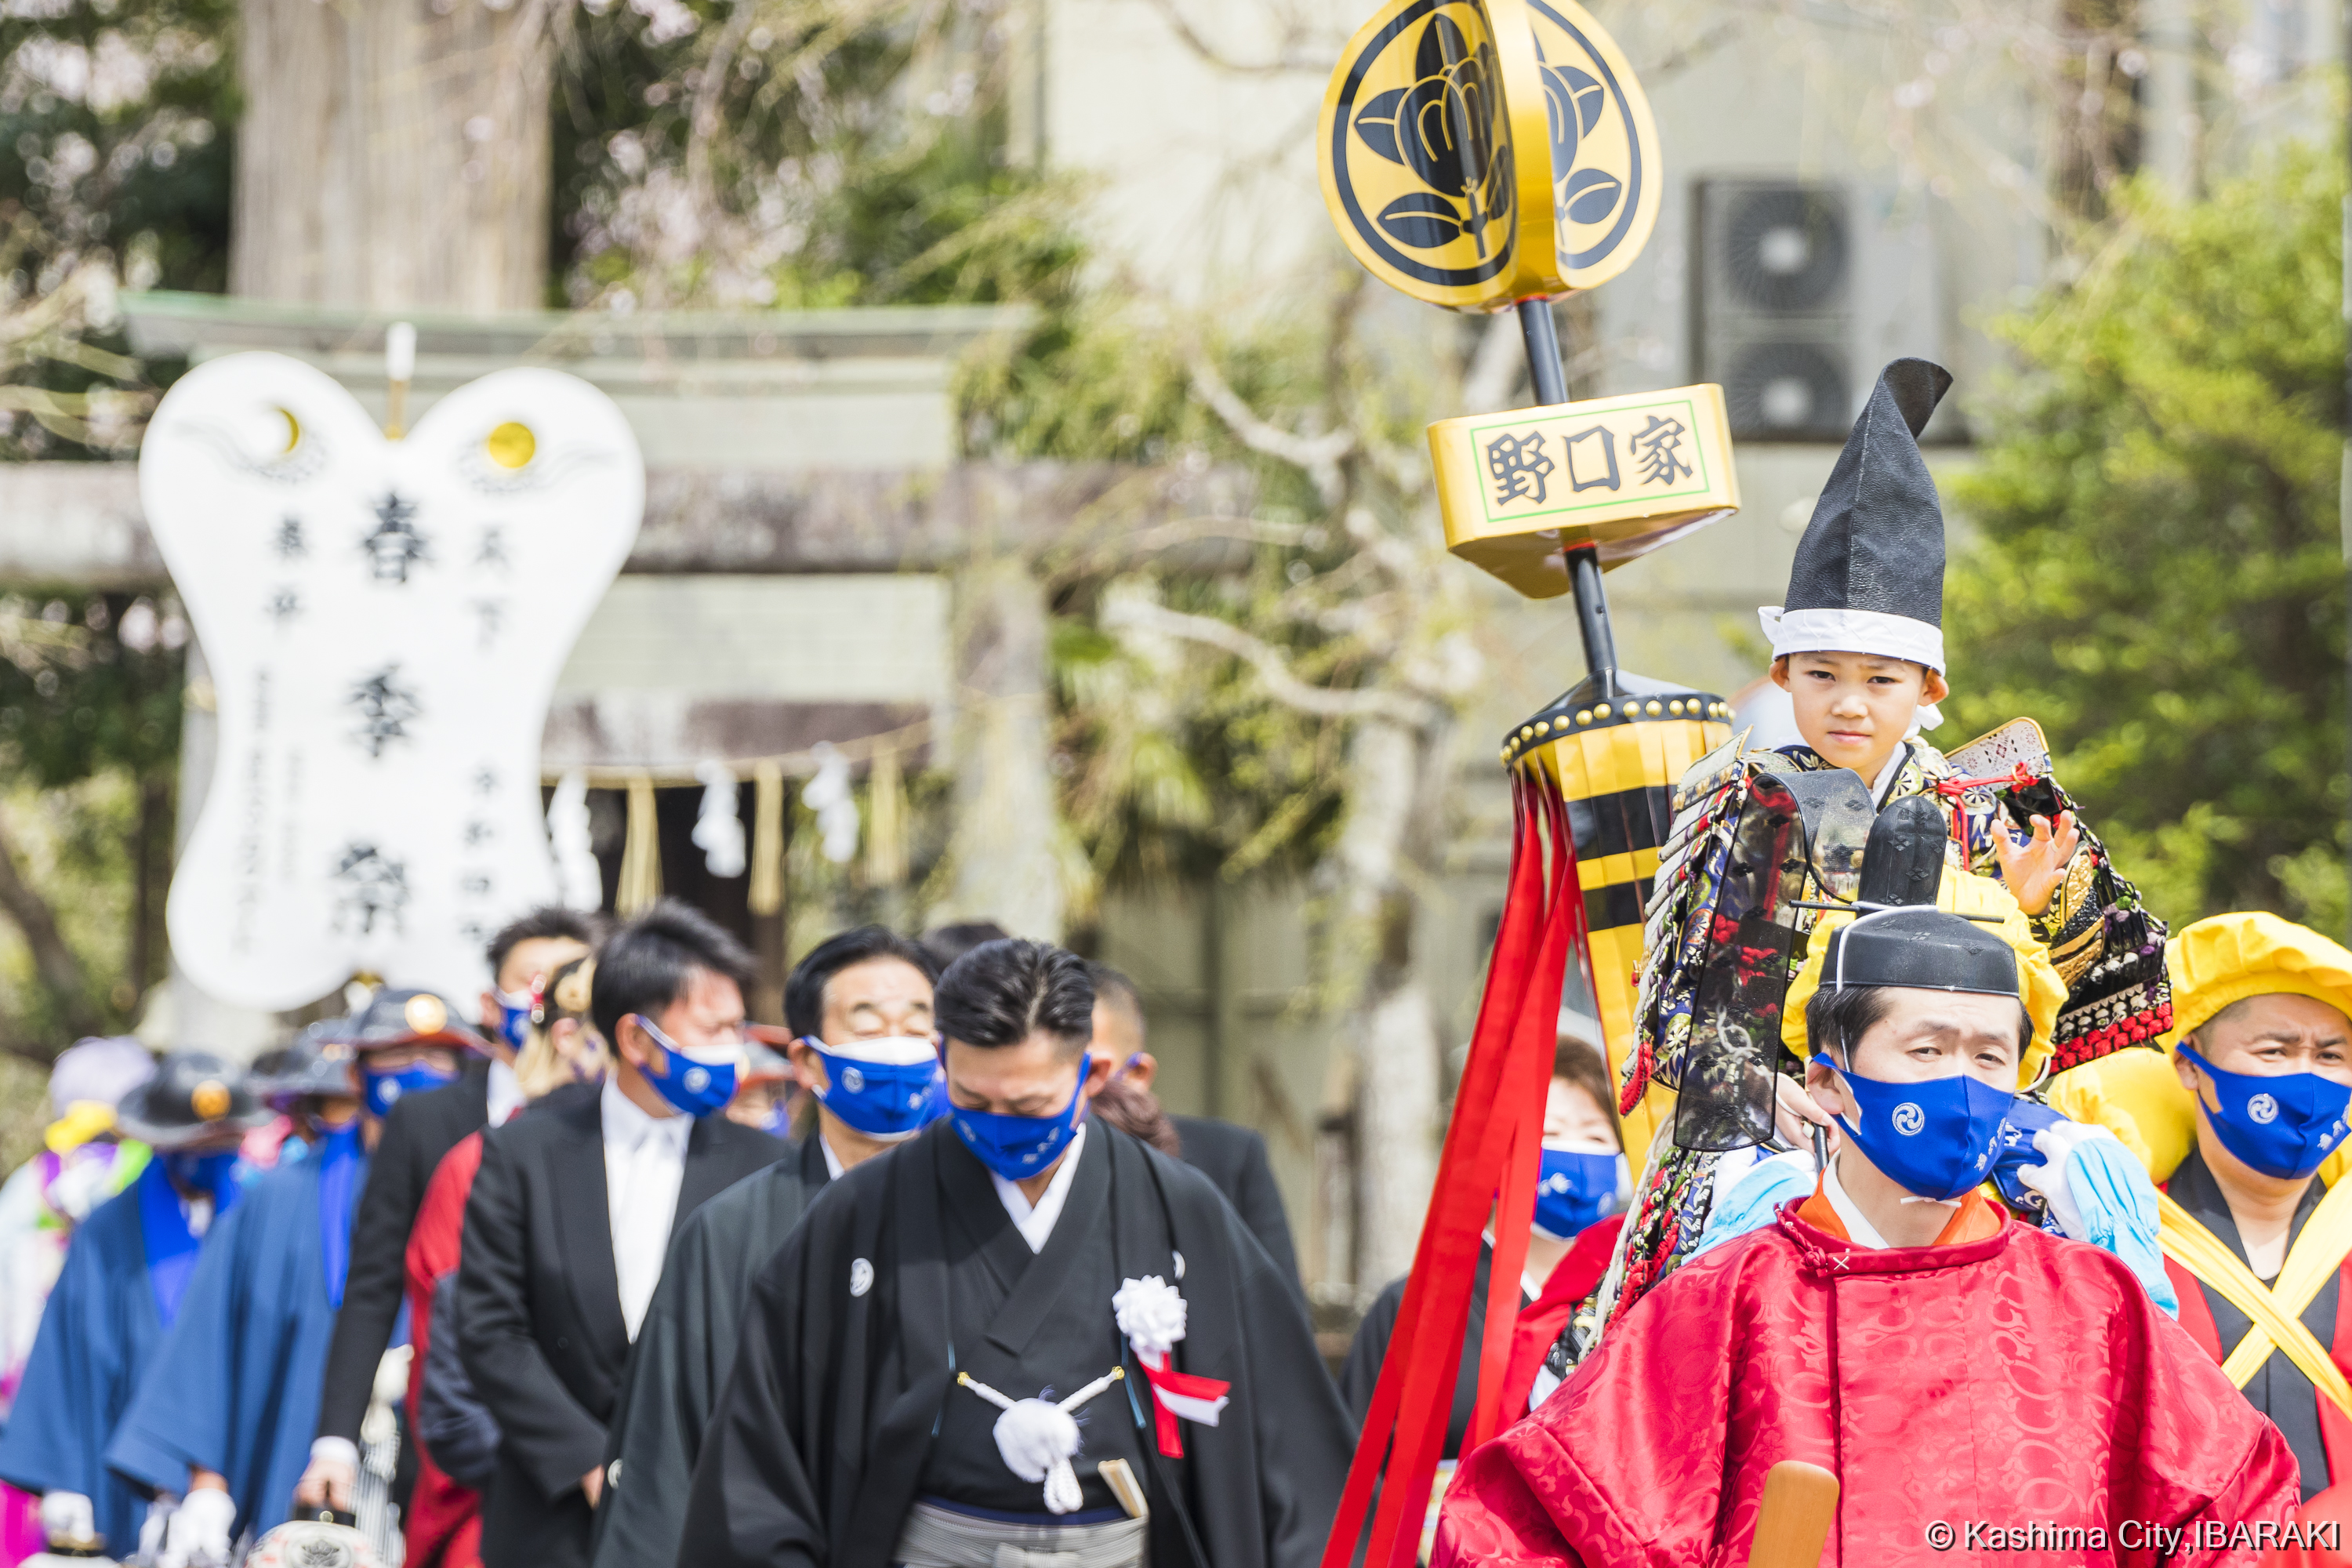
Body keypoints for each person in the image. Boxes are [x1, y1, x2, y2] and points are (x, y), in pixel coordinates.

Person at [1435, 906, 2298, 1566]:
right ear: (1828, 1079)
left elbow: (2238, 1507)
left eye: (1991, 1058)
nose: (1963, 1085)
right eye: (1927, 1049)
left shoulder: (2093, 1301)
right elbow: (1524, 1525)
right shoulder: (1726, 1298)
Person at [1611, 357, 2167, 1320]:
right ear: (1784, 674)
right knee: (1725, 1279)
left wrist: (2039, 915)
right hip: (1779, 1126)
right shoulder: (1734, 802)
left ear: (1930, 688)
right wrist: (1770, 1099)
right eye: (1822, 674)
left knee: (2094, 1195)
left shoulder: (1997, 799)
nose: (1849, 703)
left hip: (1961, 1132)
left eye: (1881, 679)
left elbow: (2103, 1002)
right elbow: (1671, 1020)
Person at [678, 937, 1352, 1568]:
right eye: (973, 1098)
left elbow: (1287, 1444)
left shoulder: (1177, 1208)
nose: (999, 1123)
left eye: (1029, 1105)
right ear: (943, 1060)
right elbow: (762, 1453)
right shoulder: (865, 1212)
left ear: (1094, 1075)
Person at [589, 924, 942, 1568]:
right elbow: (668, 1449)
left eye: (918, 1026)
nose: (898, 1047)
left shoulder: (981, 1219)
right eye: (868, 1024)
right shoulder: (728, 1232)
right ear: (808, 1063)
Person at [456, 899, 786, 1568]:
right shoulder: (525, 1150)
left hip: (710, 1510)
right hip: (550, 1519)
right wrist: (589, 1462)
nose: (735, 1048)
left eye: (737, 1026)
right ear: (636, 1038)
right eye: (714, 1028)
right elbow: (491, 1328)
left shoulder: (768, 1169)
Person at [2043, 913, 2352, 1504]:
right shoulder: (2111, 1230)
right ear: (2189, 1066)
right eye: (2275, 1050)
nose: (2307, 1078)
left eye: (2331, 1056)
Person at [301, 909, 598, 1516]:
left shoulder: (617, 1125)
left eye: (571, 981)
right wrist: (335, 1440)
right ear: (490, 1003)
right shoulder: (426, 1121)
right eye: (533, 980)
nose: (549, 999)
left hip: (585, 1435)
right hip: (451, 1429)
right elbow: (373, 1283)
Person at [1339, 1033, 1626, 1551]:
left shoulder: (1632, 1301)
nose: (1578, 1154)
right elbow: (1350, 1474)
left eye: (1595, 1136)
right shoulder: (1417, 1308)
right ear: (1497, 1153)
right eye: (1553, 1132)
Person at [104, 1028, 376, 1564]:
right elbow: (213, 1342)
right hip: (286, 1457)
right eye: (332, 1106)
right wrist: (206, 1478)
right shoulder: (274, 1200)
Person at [0, 1051, 263, 1563]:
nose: (213, 1153)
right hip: (130, 1469)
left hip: (238, 1463)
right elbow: (69, 1354)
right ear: (164, 1143)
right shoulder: (108, 1233)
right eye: (198, 1142)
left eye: (225, 1142)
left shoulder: (261, 1219)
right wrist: (62, 1479)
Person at [392, 952, 608, 1568]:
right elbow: (458, 1372)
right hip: (505, 1507)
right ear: (570, 1037)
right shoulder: (486, 1163)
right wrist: (567, 1465)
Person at [1091, 965, 1302, 1293]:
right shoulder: (1015, 1166)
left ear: (1137, 1074)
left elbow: (1279, 1323)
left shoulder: (1227, 1163)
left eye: (1087, 1071)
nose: (1066, 1093)